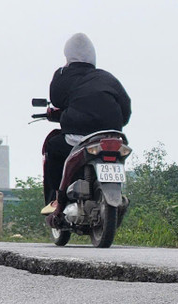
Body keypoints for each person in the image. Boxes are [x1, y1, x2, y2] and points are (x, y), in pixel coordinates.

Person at [41, 33, 132, 215]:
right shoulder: (108, 78)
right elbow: (126, 108)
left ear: (68, 55)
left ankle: (55, 200)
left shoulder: (63, 75)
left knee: (53, 147)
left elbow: (57, 101)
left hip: (78, 137)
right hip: (112, 136)